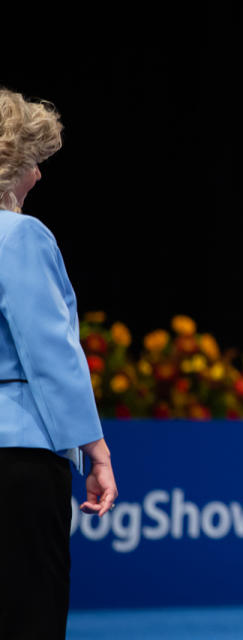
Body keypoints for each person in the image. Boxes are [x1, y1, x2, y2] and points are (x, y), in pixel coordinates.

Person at [0, 87, 118, 638]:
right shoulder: (19, 236)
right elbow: (51, 353)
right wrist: (94, 447)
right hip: (17, 461)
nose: (40, 177)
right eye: (33, 164)